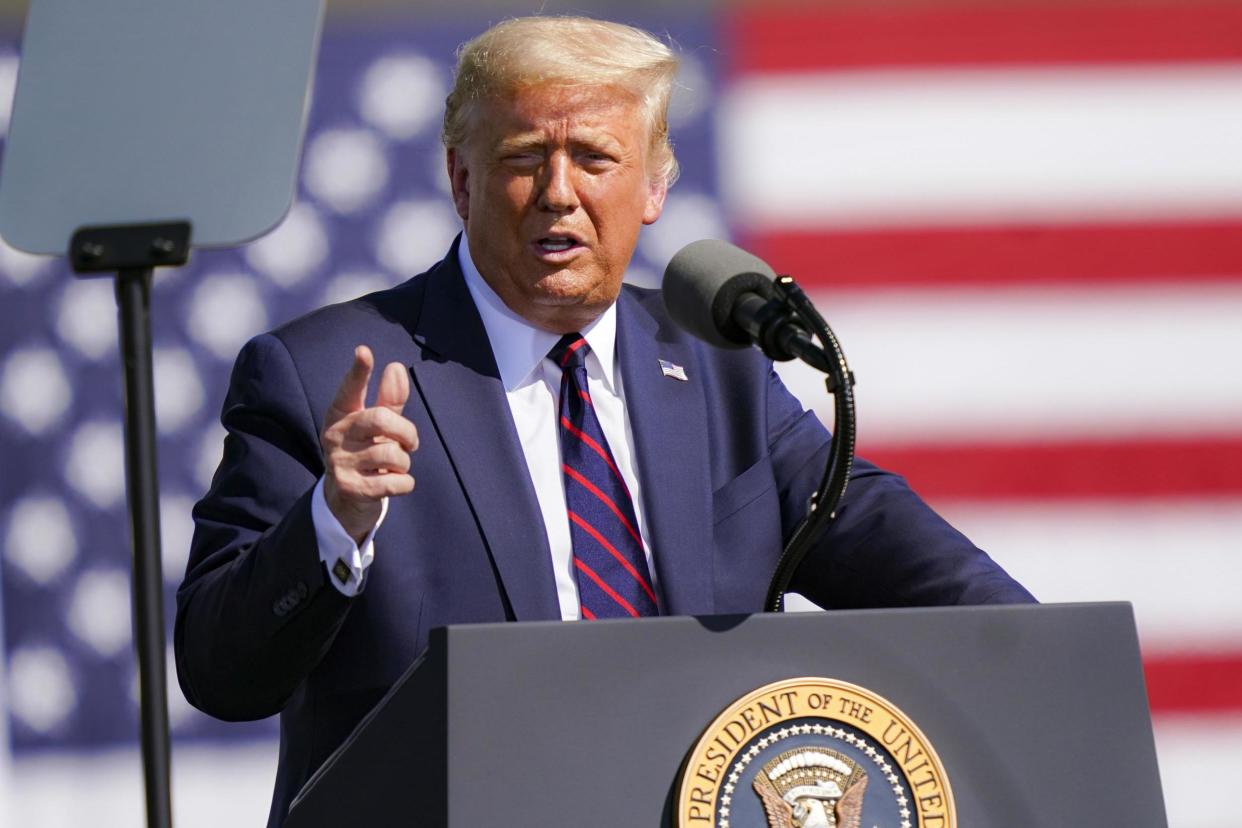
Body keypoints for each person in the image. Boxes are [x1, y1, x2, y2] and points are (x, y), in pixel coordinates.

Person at [174, 16, 1034, 826]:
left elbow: (936, 581)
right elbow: (220, 670)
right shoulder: (325, 374)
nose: (558, 192)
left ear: (654, 187)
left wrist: (1047, 659)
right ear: (461, 180)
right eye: (523, 157)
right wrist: (335, 521)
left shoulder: (717, 366)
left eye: (594, 157)